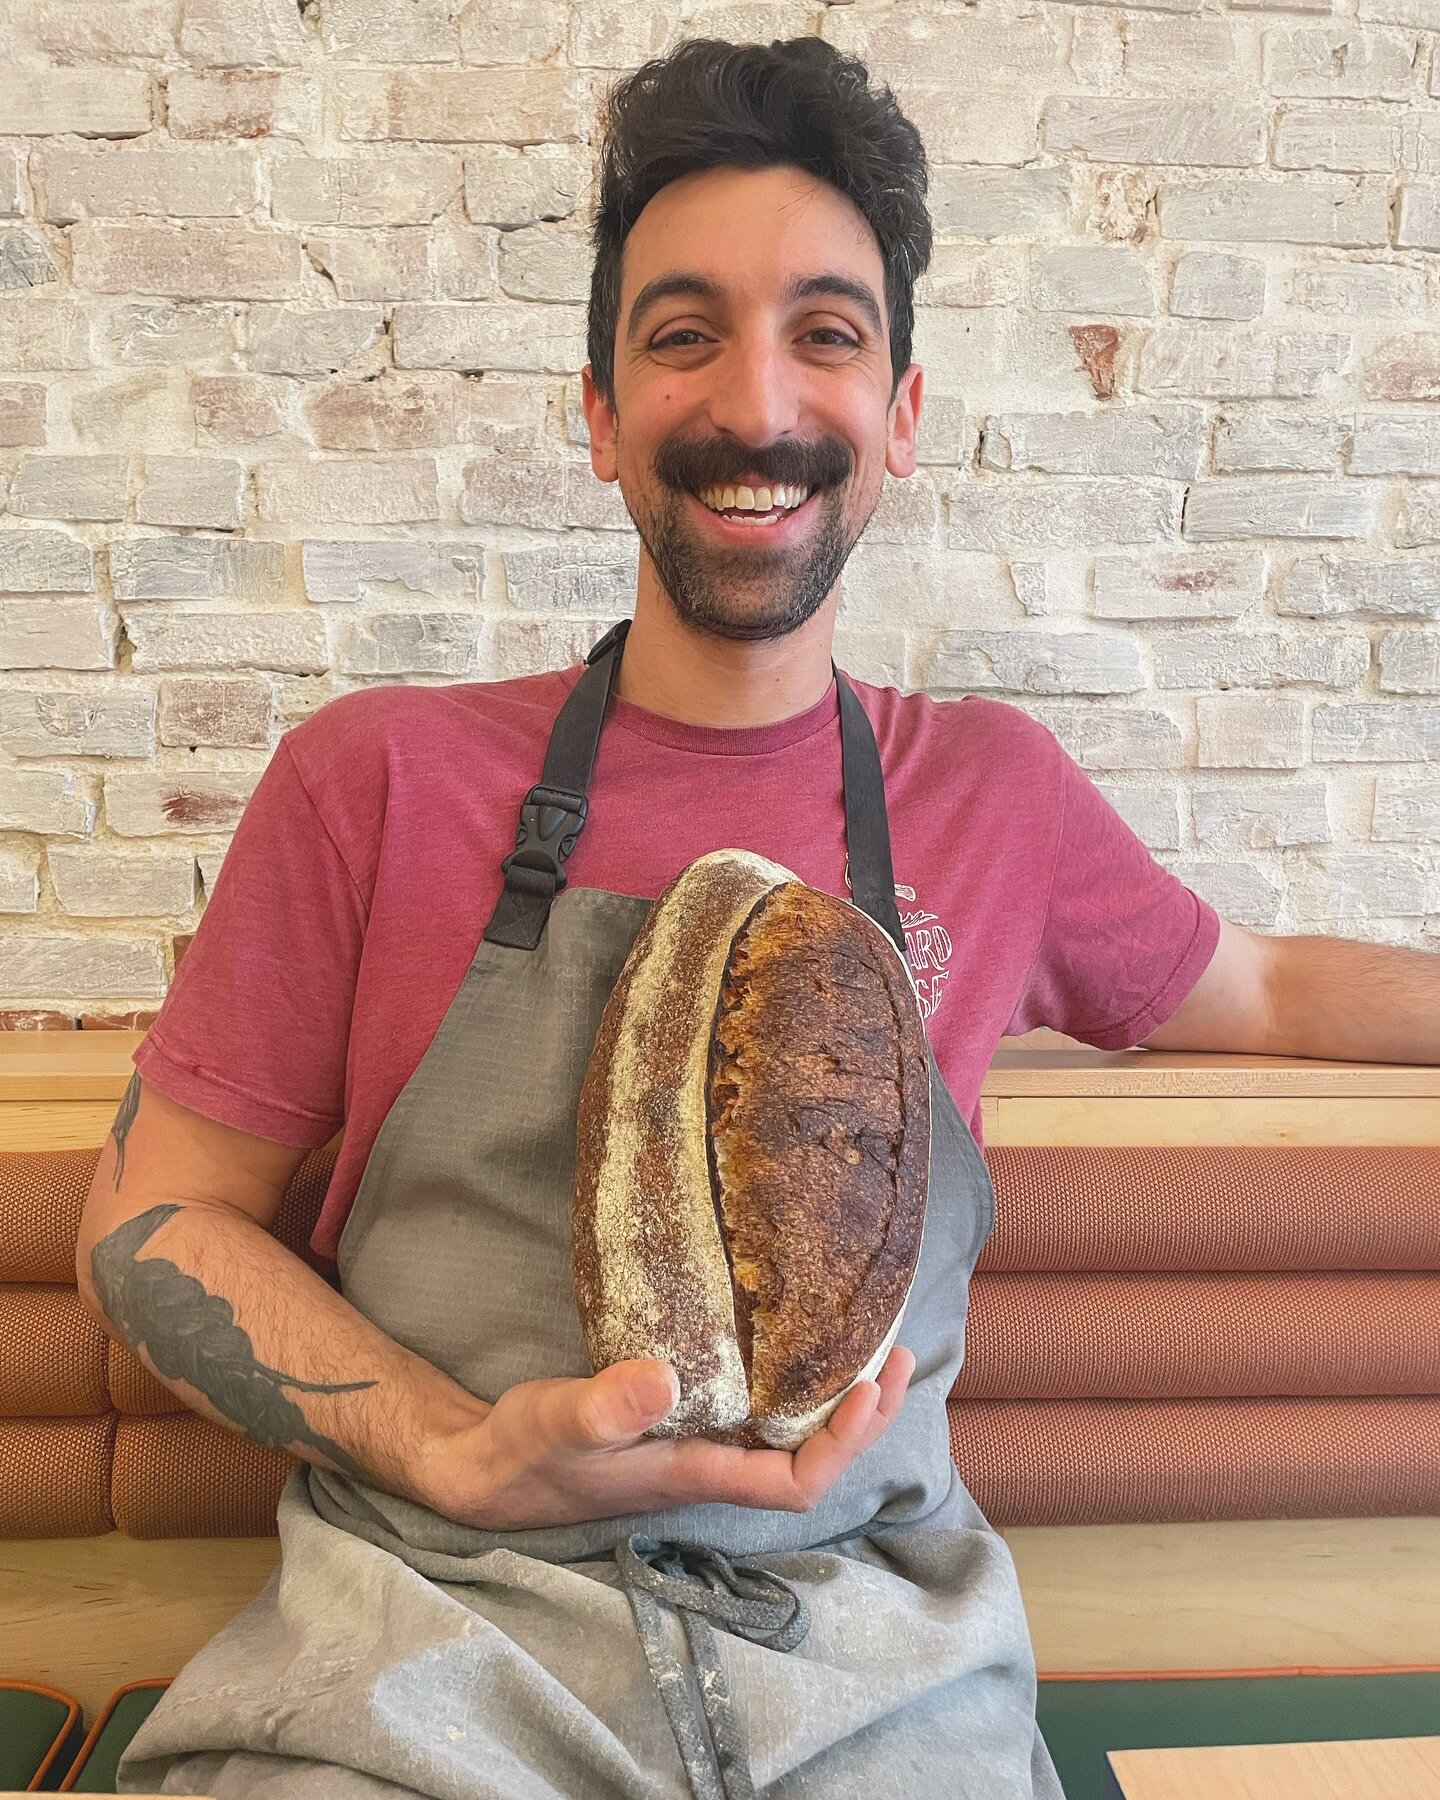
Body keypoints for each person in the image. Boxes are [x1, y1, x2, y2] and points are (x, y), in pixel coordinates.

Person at [76, 35, 1439, 1800]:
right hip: (427, 1648)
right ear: (596, 415)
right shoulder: (376, 781)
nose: (760, 403)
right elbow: (152, 1218)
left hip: (878, 1674)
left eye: (826, 332)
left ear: (904, 418)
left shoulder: (992, 795)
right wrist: (462, 1449)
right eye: (681, 332)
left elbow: (1264, 988)